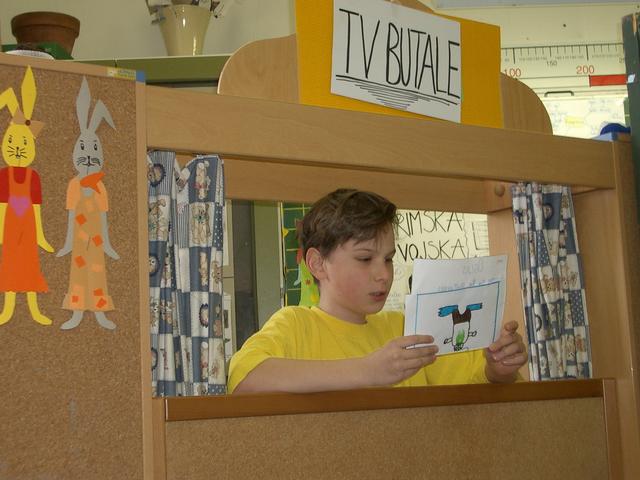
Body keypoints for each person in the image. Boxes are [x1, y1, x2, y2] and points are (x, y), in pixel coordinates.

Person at [227, 188, 527, 393]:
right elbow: (244, 379)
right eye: (364, 259)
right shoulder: (295, 324)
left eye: (388, 259)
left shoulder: (407, 328)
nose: (383, 274)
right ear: (318, 264)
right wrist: (368, 371)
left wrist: (499, 367)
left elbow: (479, 380)